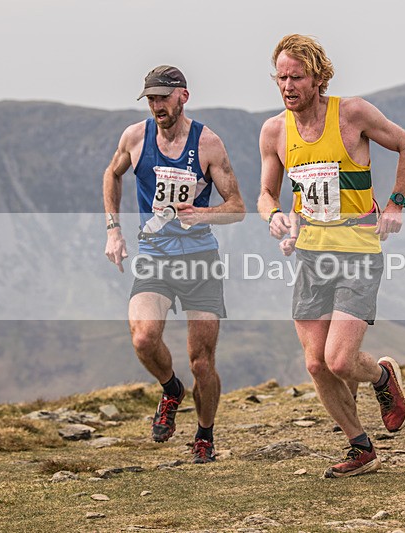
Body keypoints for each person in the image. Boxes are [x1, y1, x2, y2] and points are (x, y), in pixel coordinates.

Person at [258, 34, 405, 478]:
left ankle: (383, 377)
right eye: (281, 77)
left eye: (297, 77)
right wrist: (275, 217)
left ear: (318, 77)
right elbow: (267, 193)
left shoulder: (352, 114)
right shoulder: (275, 130)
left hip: (358, 250)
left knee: (340, 360)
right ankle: (360, 446)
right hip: (311, 255)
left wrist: (395, 204)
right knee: (315, 363)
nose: (288, 86)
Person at [103, 65, 246, 463]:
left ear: (183, 96)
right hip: (154, 256)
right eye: (150, 99)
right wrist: (114, 229)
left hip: (199, 259)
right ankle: (170, 389)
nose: (156, 106)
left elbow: (237, 208)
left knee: (202, 362)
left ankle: (204, 434)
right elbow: (112, 175)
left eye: (162, 98)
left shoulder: (208, 144)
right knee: (143, 338)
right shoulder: (135, 137)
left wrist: (199, 215)